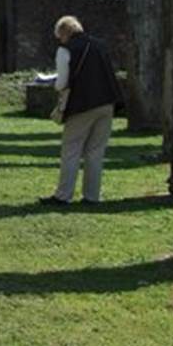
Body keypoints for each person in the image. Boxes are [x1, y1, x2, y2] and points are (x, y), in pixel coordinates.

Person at [39, 15, 122, 206]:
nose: (59, 40)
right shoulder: (100, 45)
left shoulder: (65, 50)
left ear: (63, 34)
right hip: (106, 102)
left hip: (81, 105)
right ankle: (92, 196)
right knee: (95, 151)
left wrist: (55, 86)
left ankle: (63, 195)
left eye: (59, 37)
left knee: (71, 149)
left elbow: (61, 83)